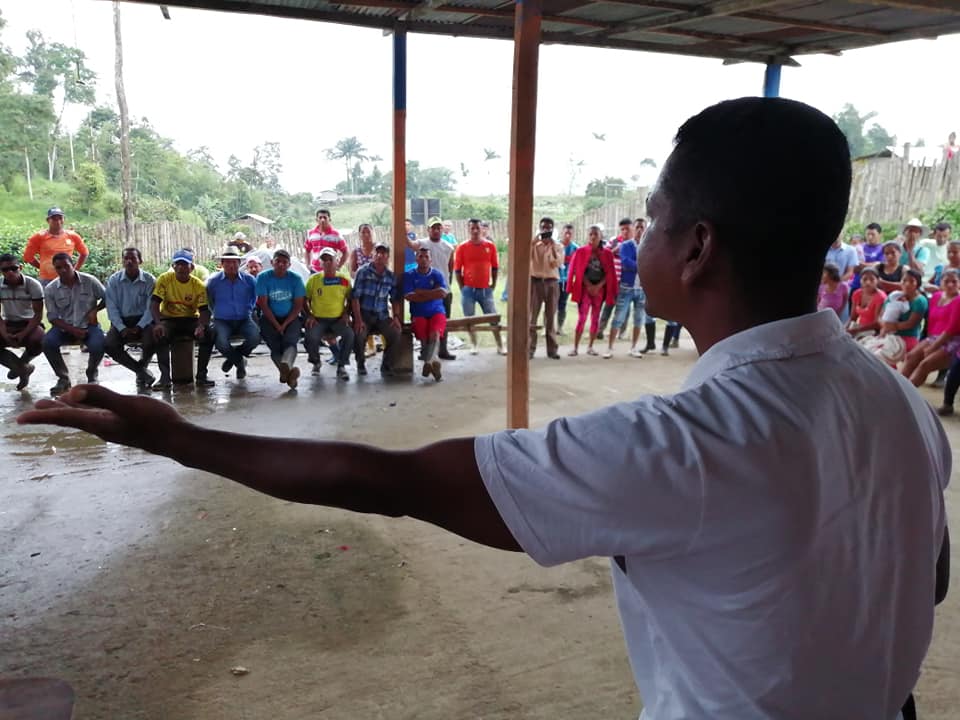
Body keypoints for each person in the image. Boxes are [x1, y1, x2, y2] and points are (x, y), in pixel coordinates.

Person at [18, 98, 950, 720]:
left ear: (696, 247)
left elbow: (387, 480)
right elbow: (930, 574)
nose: (643, 241)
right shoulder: (892, 398)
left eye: (654, 218)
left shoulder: (685, 445)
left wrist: (175, 436)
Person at [42, 252, 106, 396]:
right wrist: (72, 330)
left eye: (66, 266)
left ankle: (92, 374)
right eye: (59, 267)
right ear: (55, 269)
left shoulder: (90, 281)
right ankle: (63, 378)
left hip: (88, 325)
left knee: (99, 344)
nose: (63, 270)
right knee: (47, 342)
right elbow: (52, 317)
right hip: (63, 327)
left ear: (73, 265)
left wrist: (95, 310)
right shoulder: (51, 288)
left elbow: (107, 297)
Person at [151, 250, 215, 389]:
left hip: (190, 319)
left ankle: (201, 376)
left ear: (191, 267)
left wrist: (201, 326)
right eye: (178, 264)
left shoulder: (198, 285)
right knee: (159, 334)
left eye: (185, 264)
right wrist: (158, 323)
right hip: (169, 319)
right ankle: (164, 377)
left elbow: (204, 311)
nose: (181, 267)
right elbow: (154, 304)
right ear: (173, 266)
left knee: (208, 334)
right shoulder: (164, 279)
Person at [103, 247, 157, 390]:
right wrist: (122, 328)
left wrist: (140, 326)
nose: (129, 261)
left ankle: (142, 369)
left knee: (152, 340)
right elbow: (111, 308)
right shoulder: (114, 280)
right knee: (109, 344)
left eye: (133, 258)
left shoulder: (149, 280)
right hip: (122, 320)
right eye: (126, 258)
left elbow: (151, 308)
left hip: (144, 321)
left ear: (140, 261)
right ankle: (140, 371)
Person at [206, 248, 260, 380]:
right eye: (228, 262)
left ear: (239, 263)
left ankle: (233, 359)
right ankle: (240, 362)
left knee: (255, 337)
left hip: (244, 318)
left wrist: (249, 308)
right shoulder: (213, 281)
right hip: (222, 320)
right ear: (222, 264)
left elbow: (255, 297)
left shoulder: (249, 280)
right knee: (221, 343)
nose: (231, 265)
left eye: (235, 262)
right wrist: (216, 311)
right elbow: (210, 300)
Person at [256, 249, 306, 389]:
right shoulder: (263, 277)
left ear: (289, 265)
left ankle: (285, 368)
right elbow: (263, 304)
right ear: (272, 262)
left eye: (285, 262)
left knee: (290, 343)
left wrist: (285, 324)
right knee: (275, 347)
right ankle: (290, 375)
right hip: (269, 317)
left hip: (291, 317)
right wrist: (276, 325)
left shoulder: (295, 279)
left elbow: (298, 305)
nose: (281, 265)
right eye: (278, 261)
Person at [408, 217, 457, 360]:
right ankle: (426, 351)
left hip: (443, 290)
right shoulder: (422, 243)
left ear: (442, 229)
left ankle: (443, 350)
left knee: (443, 320)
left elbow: (450, 267)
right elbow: (411, 244)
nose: (436, 231)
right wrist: (403, 230)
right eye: (433, 228)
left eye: (438, 228)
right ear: (428, 230)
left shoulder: (449, 247)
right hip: (424, 287)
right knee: (422, 320)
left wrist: (445, 285)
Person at [900, 269, 960, 386]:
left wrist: (932, 347)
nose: (950, 284)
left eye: (954, 281)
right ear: (940, 282)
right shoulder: (936, 297)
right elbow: (931, 322)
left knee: (925, 365)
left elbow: (951, 330)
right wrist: (927, 343)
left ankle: (906, 393)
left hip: (953, 341)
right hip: (934, 338)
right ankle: (898, 388)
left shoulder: (959, 301)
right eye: (946, 281)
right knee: (911, 357)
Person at [454, 219, 504, 355]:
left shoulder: (490, 246)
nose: (475, 231)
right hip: (468, 290)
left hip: (485, 290)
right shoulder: (462, 247)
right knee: (469, 319)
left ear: (482, 229)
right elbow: (457, 270)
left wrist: (493, 284)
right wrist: (462, 287)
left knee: (493, 317)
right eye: (472, 228)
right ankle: (474, 344)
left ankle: (500, 344)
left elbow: (495, 267)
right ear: (468, 229)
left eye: (477, 228)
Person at [352, 242, 402, 377]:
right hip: (364, 315)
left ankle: (386, 365)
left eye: (383, 253)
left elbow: (395, 299)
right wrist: (358, 319)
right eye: (377, 252)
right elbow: (355, 297)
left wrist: (396, 317)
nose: (380, 256)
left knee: (396, 332)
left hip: (382, 316)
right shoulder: (363, 272)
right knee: (359, 334)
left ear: (388, 257)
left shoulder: (390, 276)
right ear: (373, 255)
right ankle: (360, 363)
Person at [304, 247, 354, 381]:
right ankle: (316, 362)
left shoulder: (344, 279)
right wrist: (309, 315)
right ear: (320, 263)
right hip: (319, 319)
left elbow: (351, 299)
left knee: (349, 335)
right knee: (310, 337)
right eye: (324, 260)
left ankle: (342, 366)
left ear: (337, 261)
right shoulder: (313, 279)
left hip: (338, 319)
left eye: (330, 259)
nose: (327, 262)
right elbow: (304, 299)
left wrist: (346, 313)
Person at [566, 223, 616, 356]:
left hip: (599, 289)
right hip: (585, 289)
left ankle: (590, 347)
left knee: (595, 318)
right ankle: (575, 348)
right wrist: (589, 285)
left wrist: (598, 286)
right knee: (582, 317)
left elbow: (609, 273)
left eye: (596, 234)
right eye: (591, 234)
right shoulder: (581, 252)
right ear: (587, 236)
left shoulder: (607, 253)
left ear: (601, 237)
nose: (593, 237)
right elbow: (577, 271)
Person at [403, 246, 449, 382]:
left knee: (435, 333)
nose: (423, 259)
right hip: (418, 313)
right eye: (420, 256)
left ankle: (428, 362)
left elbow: (443, 293)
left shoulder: (437, 274)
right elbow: (409, 296)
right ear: (416, 259)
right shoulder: (409, 275)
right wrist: (432, 294)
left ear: (431, 260)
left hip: (437, 311)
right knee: (423, 336)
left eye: (426, 257)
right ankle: (434, 362)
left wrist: (421, 292)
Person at [0, 253, 44, 390]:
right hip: (8, 322)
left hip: (29, 322)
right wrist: (4, 333)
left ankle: (19, 367)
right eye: (5, 270)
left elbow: (38, 315)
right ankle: (23, 369)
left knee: (39, 341)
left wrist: (23, 334)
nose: (10, 272)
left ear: (20, 267)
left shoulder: (33, 285)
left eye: (13, 268)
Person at [605, 220, 646, 358]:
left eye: (642, 227)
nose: (639, 229)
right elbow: (626, 263)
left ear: (646, 229)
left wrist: (639, 265)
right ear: (633, 228)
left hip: (642, 289)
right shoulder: (626, 245)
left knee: (639, 319)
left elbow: (652, 262)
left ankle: (633, 348)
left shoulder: (649, 245)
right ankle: (610, 348)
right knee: (618, 318)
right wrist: (643, 266)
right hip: (626, 287)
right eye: (637, 227)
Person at [23, 207, 89, 286]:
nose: (58, 221)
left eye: (60, 218)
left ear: (64, 219)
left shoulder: (72, 236)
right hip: (46, 280)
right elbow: (28, 257)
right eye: (54, 219)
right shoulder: (39, 237)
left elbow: (84, 253)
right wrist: (42, 267)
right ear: (48, 220)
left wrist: (74, 269)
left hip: (67, 278)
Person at [529, 217, 562, 360]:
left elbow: (557, 263)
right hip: (535, 282)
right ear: (540, 228)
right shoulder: (534, 245)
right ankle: (529, 349)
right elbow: (525, 255)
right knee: (532, 317)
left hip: (551, 283)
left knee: (550, 317)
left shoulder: (558, 246)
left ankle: (552, 350)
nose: (546, 230)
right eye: (543, 227)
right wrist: (534, 241)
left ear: (552, 229)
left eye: (548, 228)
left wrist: (552, 247)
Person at [597, 218, 631, 340]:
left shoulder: (634, 243)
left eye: (627, 229)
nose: (625, 231)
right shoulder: (614, 241)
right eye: (623, 229)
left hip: (628, 281)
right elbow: (603, 256)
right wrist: (614, 250)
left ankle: (622, 332)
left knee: (625, 308)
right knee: (609, 304)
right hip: (614, 280)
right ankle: (600, 329)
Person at [846, 266, 886, 337]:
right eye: (864, 279)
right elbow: (853, 317)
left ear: (877, 281)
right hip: (859, 327)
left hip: (874, 331)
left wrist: (857, 330)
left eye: (872, 279)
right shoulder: (857, 294)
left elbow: (877, 323)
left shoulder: (881, 297)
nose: (868, 282)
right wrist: (845, 327)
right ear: (860, 280)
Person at [556, 224, 578, 336]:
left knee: (562, 304)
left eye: (570, 233)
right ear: (562, 233)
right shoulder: (555, 246)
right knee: (551, 305)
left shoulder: (576, 249)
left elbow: (578, 266)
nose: (568, 235)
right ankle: (548, 327)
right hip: (554, 280)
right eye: (566, 233)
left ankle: (560, 327)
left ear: (573, 234)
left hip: (567, 281)